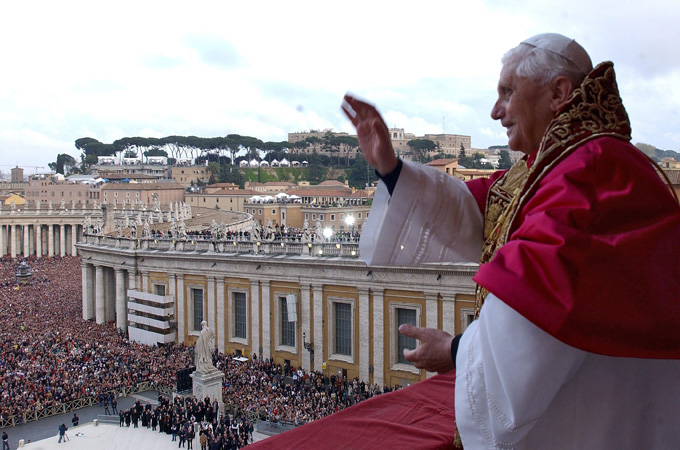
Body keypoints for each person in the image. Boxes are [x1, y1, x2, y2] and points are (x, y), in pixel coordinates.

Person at [342, 33, 680, 448]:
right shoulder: (562, 162)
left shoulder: (589, 173)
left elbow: (537, 299)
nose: (495, 110)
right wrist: (391, 168)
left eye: (507, 92)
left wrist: (456, 351)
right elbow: (478, 208)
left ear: (558, 93)